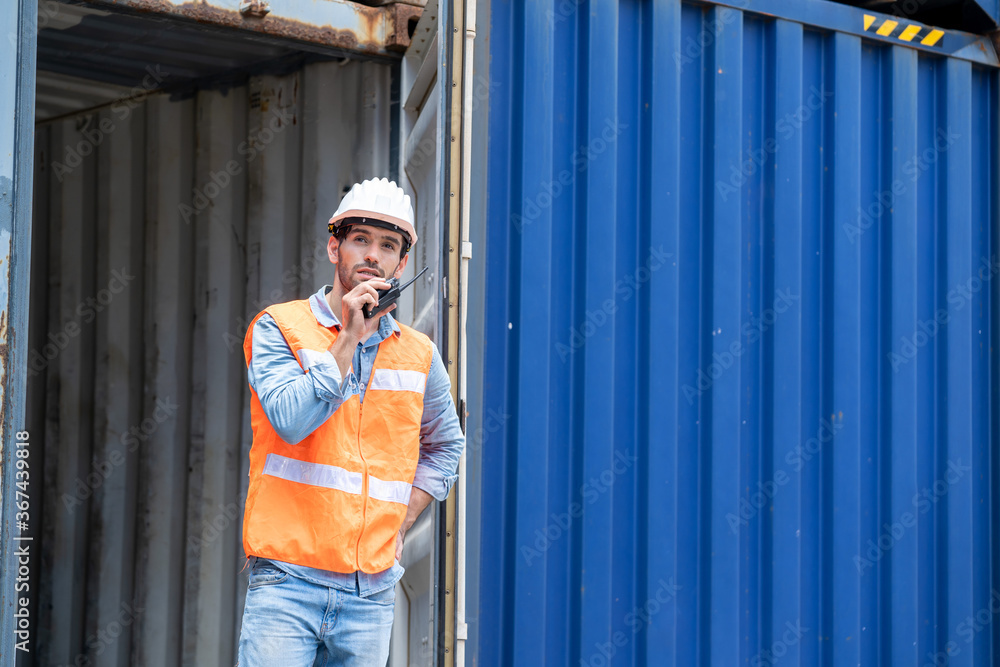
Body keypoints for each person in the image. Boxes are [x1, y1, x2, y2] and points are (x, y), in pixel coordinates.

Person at [237, 178, 464, 666]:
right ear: (334, 246)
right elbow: (291, 422)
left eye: (388, 246)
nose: (372, 256)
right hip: (287, 582)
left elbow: (447, 446)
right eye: (361, 239)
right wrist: (347, 338)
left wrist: (402, 519)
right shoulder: (280, 327)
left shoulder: (419, 355)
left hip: (370, 593)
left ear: (402, 264)